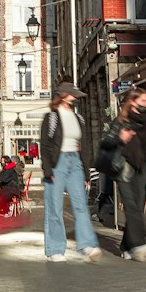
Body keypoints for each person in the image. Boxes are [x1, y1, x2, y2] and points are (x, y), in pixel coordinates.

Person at [97, 86, 146, 262]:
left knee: (136, 208)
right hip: (124, 168)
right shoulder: (121, 121)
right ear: (133, 101)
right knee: (131, 207)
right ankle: (139, 244)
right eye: (144, 100)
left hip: (143, 169)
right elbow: (105, 142)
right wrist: (119, 138)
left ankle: (126, 246)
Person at [40, 83, 100, 262]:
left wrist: (87, 172)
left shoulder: (78, 118)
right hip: (57, 163)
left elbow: (85, 146)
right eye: (73, 94)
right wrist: (48, 169)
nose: (75, 97)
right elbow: (45, 145)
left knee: (81, 205)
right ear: (63, 95)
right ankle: (55, 250)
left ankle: (87, 246)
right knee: (54, 207)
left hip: (75, 163)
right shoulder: (51, 118)